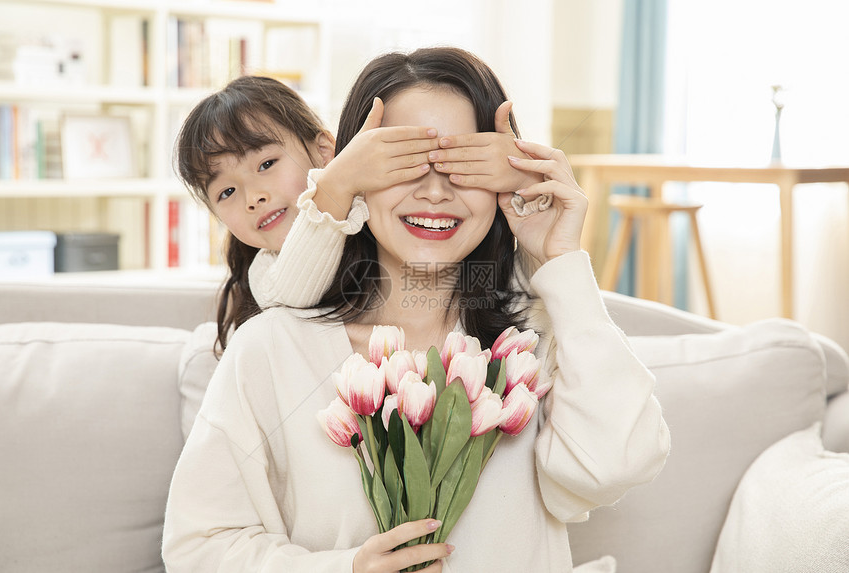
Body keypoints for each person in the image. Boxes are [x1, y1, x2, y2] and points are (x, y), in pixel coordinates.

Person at [163, 47, 670, 572]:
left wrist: (557, 258)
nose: (434, 190)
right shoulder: (270, 348)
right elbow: (199, 548)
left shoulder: (536, 335)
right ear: (352, 171)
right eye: (405, 161)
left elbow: (611, 470)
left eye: (462, 164)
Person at [174, 75, 439, 352]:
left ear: (324, 151)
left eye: (266, 164)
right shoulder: (267, 271)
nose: (253, 198)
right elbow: (297, 293)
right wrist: (337, 183)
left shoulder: (376, 212)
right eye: (227, 192)